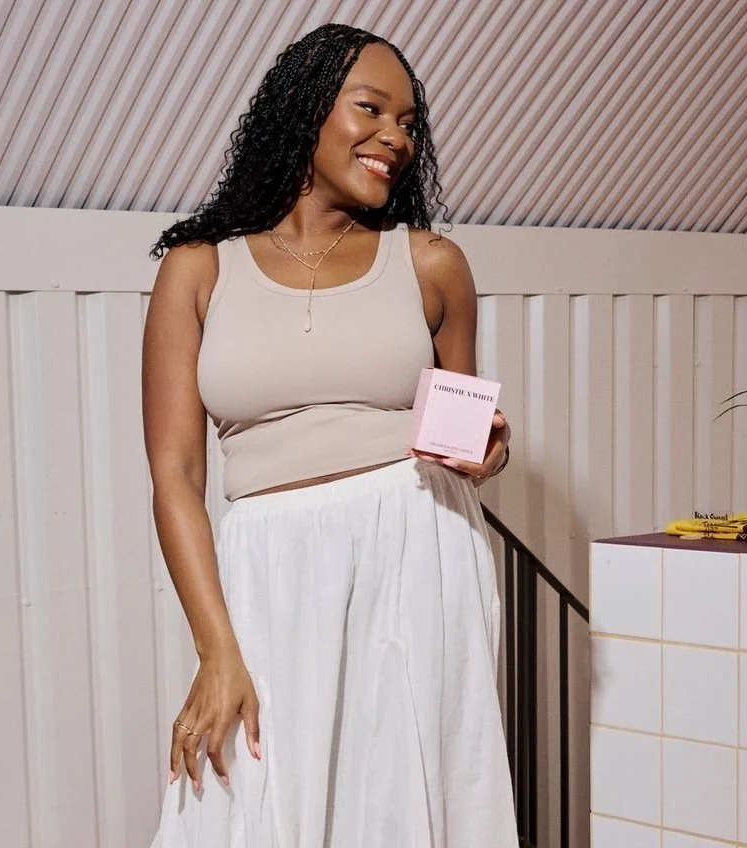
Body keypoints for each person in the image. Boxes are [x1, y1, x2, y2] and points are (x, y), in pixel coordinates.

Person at [143, 23, 516, 848]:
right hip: (270, 568)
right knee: (252, 795)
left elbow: (463, 434)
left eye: (409, 122)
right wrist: (216, 649)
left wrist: (487, 451)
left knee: (410, 798)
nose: (396, 138)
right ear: (304, 111)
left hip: (417, 550)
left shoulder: (432, 263)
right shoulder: (198, 267)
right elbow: (175, 477)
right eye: (370, 109)